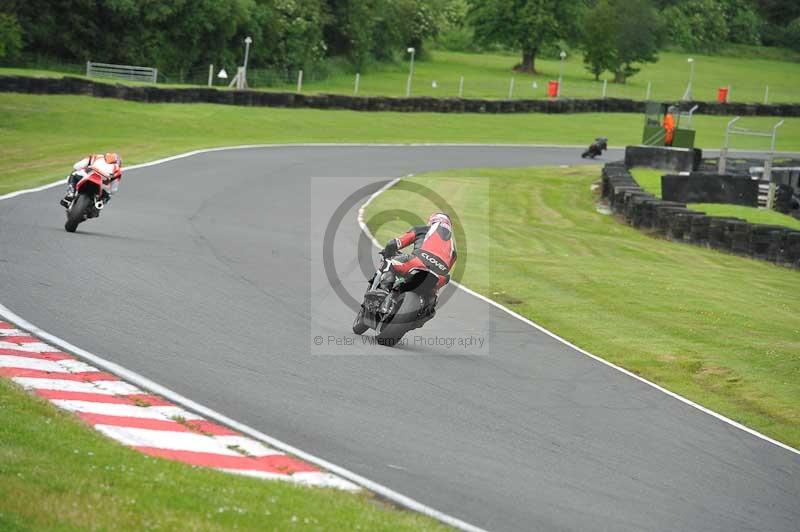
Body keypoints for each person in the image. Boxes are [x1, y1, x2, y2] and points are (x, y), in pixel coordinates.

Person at [367, 212, 458, 303]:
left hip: (417, 262)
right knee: (439, 285)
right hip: (439, 276)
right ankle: (429, 304)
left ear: (432, 222)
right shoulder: (453, 249)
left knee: (390, 262)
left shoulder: (423, 230)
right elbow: (447, 272)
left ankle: (383, 289)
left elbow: (394, 243)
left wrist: (388, 253)